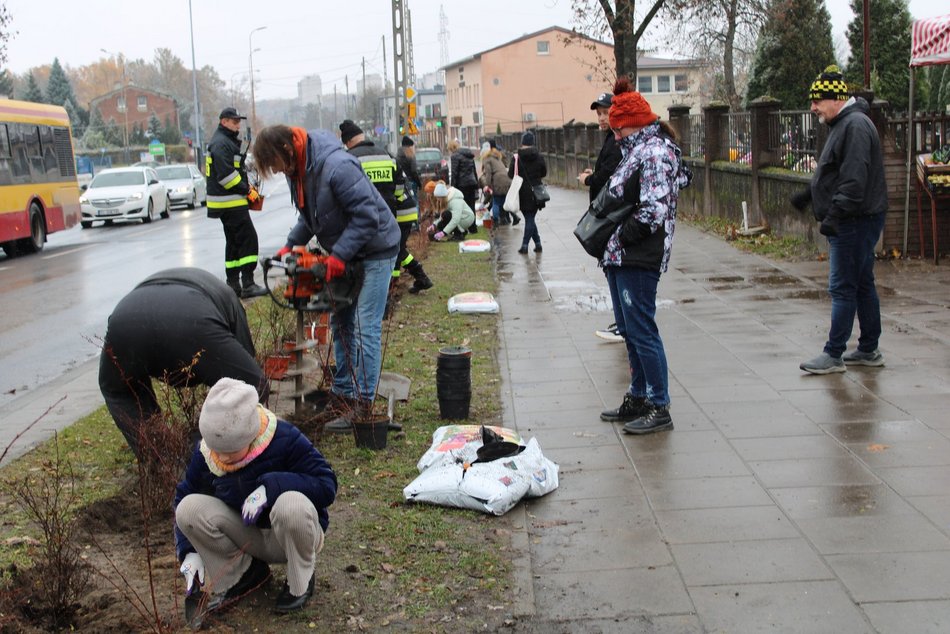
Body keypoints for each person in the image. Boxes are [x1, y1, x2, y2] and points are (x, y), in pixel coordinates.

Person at [252, 124, 400, 433]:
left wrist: (339, 255)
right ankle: (344, 391)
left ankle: (363, 405)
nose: (280, 173)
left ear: (289, 149)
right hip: (347, 252)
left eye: (279, 167)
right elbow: (311, 216)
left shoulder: (336, 167)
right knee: (340, 321)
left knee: (364, 324)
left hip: (375, 248)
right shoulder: (300, 172)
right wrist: (292, 243)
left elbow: (367, 217)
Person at [174, 377, 337, 616]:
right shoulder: (207, 454)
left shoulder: (285, 438)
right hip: (248, 535)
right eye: (217, 449)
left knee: (290, 504)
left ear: (250, 433)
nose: (223, 458)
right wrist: (188, 552)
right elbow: (184, 495)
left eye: (230, 450)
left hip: (292, 535)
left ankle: (299, 580)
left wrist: (271, 488)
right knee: (188, 509)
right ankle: (243, 576)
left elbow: (327, 485)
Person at [597, 77, 691, 435]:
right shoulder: (637, 150)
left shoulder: (653, 152)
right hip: (622, 254)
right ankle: (638, 396)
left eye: (618, 129)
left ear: (633, 124)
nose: (614, 135)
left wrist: (619, 236)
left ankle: (658, 403)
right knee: (629, 330)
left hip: (638, 254)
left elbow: (653, 209)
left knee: (642, 330)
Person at [99, 267, 268, 460]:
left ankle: (159, 455)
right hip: (191, 320)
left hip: (126, 318)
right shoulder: (231, 303)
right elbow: (250, 382)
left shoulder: (214, 292)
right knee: (252, 387)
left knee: (119, 389)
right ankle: (195, 452)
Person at [791, 65, 888, 374]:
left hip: (854, 220)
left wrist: (834, 216)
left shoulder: (855, 126)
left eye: (817, 101)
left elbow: (854, 180)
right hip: (856, 217)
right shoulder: (844, 123)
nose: (813, 108)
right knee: (861, 284)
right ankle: (869, 349)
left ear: (835, 99)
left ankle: (834, 354)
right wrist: (810, 194)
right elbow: (834, 171)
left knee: (843, 286)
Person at [339, 120, 433, 295]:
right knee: (397, 250)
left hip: (389, 215)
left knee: (393, 251)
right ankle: (417, 279)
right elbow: (399, 187)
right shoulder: (385, 155)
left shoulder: (350, 159)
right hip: (402, 209)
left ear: (348, 142)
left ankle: (391, 289)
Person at [205, 107, 267, 298]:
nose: (238, 125)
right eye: (234, 121)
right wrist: (247, 191)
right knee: (248, 239)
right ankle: (248, 283)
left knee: (233, 242)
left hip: (225, 203)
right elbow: (226, 177)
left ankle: (233, 284)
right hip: (229, 202)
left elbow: (234, 169)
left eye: (238, 121)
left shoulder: (223, 141)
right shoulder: (221, 143)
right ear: (224, 122)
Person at [581, 91, 625, 343]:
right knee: (610, 269)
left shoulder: (617, 142)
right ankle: (622, 321)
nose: (601, 118)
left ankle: (623, 324)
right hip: (607, 214)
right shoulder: (611, 139)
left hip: (611, 217)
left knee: (613, 269)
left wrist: (589, 178)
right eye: (599, 114)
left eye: (605, 113)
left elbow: (610, 177)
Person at [508, 132, 547, 254]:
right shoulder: (539, 156)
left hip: (522, 193)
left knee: (529, 218)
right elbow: (544, 172)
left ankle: (525, 245)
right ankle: (538, 243)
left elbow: (510, 174)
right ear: (533, 142)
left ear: (522, 142)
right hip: (536, 193)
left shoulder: (516, 158)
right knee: (530, 218)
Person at [480, 139, 513, 226]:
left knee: (496, 202)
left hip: (498, 181)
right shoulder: (497, 157)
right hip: (507, 180)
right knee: (503, 201)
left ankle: (495, 220)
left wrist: (488, 185)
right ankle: (510, 218)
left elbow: (488, 174)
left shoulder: (487, 159)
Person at [448, 139, 479, 232]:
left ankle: (462, 228)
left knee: (461, 207)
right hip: (471, 183)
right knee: (471, 205)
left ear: (451, 148)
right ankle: (473, 228)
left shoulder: (454, 156)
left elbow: (454, 173)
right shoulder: (469, 155)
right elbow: (474, 170)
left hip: (462, 185)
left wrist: (452, 187)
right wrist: (476, 183)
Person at [396, 135, 422, 201]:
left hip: (401, 183)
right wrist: (419, 183)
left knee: (404, 201)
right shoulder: (411, 156)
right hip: (411, 182)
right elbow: (414, 171)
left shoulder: (397, 156)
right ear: (409, 147)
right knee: (414, 201)